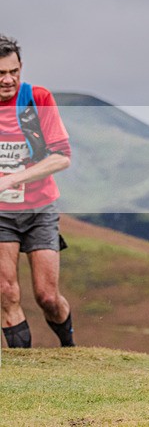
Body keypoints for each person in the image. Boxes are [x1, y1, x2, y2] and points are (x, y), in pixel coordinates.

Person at [0, 34, 75, 349]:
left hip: (39, 208)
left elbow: (62, 157)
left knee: (47, 295)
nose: (8, 80)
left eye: (13, 72)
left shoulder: (37, 98)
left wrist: (14, 178)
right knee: (7, 292)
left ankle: (69, 348)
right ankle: (25, 370)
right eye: (0, 74)